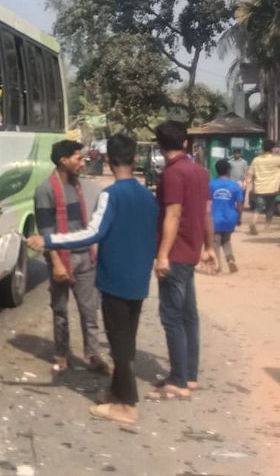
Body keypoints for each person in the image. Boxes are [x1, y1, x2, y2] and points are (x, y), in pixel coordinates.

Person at [28, 134, 158, 424]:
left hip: (114, 279)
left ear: (109, 161)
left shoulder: (111, 194)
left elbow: (93, 233)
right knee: (125, 339)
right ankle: (115, 393)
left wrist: (48, 241)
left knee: (119, 344)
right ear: (135, 158)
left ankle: (127, 405)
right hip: (138, 278)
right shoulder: (148, 196)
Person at [149, 120, 216, 401]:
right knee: (189, 316)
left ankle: (178, 381)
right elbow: (206, 213)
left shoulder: (173, 174)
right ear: (186, 143)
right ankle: (189, 375)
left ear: (160, 146)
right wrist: (210, 247)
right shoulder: (199, 172)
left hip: (175, 254)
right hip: (191, 251)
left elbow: (173, 215)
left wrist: (162, 254)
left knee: (172, 316)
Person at [33, 139, 110, 375]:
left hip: (85, 256)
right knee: (60, 310)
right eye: (77, 158)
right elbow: (46, 231)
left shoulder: (81, 186)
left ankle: (93, 355)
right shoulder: (45, 190)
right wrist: (56, 263)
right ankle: (62, 354)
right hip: (61, 258)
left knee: (90, 310)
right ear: (63, 160)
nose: (82, 162)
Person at [210, 158, 244, 274]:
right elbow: (239, 204)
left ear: (216, 171)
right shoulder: (235, 186)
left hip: (214, 219)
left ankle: (217, 265)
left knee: (215, 242)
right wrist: (239, 218)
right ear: (228, 171)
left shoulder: (211, 185)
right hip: (230, 218)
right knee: (226, 241)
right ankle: (230, 260)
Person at [244, 139, 280, 236]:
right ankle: (267, 227)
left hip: (259, 188)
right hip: (272, 188)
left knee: (258, 208)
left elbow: (250, 173)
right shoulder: (277, 159)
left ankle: (253, 223)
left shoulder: (256, 160)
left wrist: (247, 182)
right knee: (270, 208)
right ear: (272, 148)